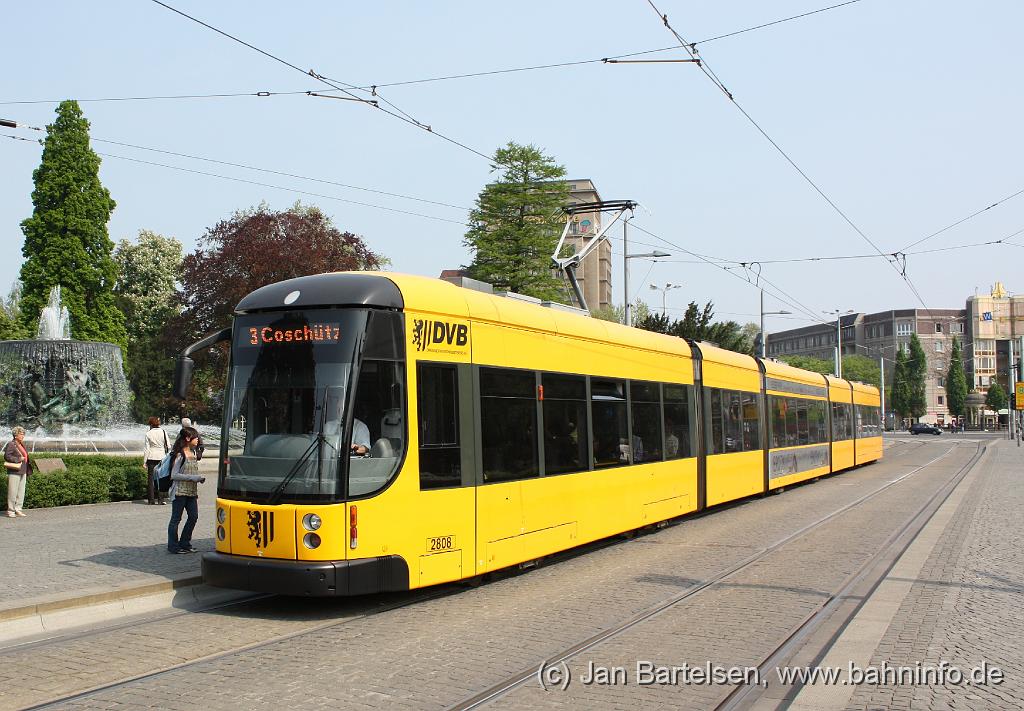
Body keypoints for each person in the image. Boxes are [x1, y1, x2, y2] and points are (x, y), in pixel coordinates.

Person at [167, 426, 206, 554]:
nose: (198, 440)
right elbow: (174, 475)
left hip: (191, 492)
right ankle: (173, 546)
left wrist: (198, 479)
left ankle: (185, 543)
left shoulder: (194, 453)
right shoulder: (180, 454)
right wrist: (193, 478)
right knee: (176, 519)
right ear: (188, 438)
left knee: (193, 517)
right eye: (196, 438)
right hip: (179, 492)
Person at [4, 426, 30, 518]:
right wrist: (19, 459)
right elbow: (7, 456)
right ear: (16, 435)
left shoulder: (21, 444)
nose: (23, 436)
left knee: (21, 492)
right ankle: (11, 511)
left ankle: (18, 509)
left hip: (23, 470)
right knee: (13, 491)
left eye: (23, 434)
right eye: (21, 434)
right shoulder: (11, 444)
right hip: (14, 471)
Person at [144, 417, 170, 505]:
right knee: (161, 478)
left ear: (150, 424)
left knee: (151, 480)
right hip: (162, 457)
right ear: (158, 423)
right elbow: (169, 446)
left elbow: (147, 449)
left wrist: (144, 462)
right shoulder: (163, 432)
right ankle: (161, 499)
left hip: (151, 457)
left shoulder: (148, 434)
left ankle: (151, 500)